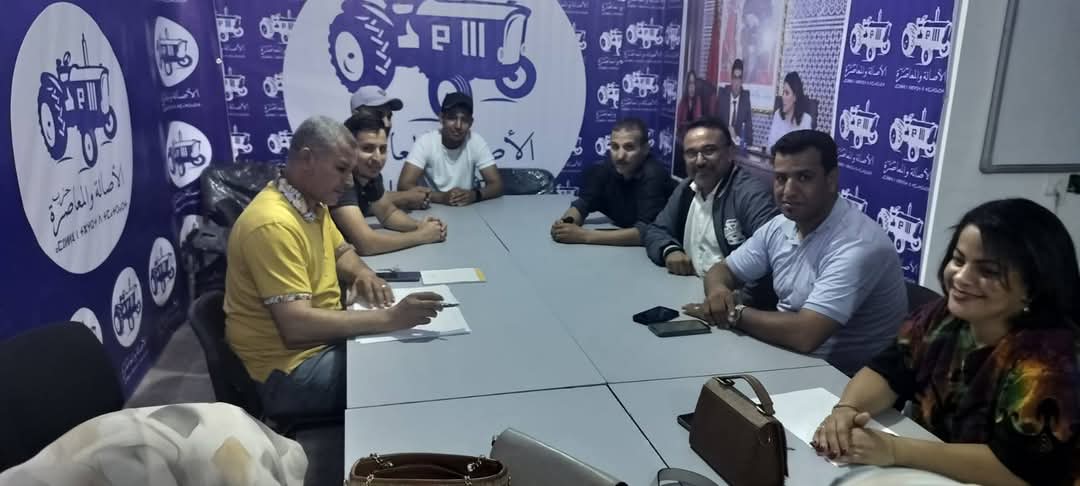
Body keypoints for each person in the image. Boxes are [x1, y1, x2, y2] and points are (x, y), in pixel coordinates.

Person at [812, 198, 1080, 485]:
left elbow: (1018, 468)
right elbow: (889, 370)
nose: (961, 278)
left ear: (1033, 288)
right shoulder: (944, 317)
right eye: (959, 260)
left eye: (988, 271)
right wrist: (847, 410)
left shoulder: (1050, 361)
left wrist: (893, 450)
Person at [224, 116, 446, 416]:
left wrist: (363, 273)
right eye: (341, 169)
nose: (348, 181)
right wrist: (390, 318)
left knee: (409, 354)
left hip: (318, 345)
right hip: (288, 370)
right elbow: (296, 326)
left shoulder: (311, 204)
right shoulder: (273, 224)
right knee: (405, 368)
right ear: (307, 159)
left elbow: (341, 252)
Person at [686, 130, 907, 376]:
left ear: (831, 180)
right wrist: (718, 292)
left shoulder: (858, 245)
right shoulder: (781, 225)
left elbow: (806, 334)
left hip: (842, 381)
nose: (789, 191)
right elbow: (723, 270)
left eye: (804, 177)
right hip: (787, 360)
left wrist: (734, 313)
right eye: (781, 178)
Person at [642, 117, 776, 289]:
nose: (699, 161)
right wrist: (670, 250)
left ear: (730, 153)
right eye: (691, 153)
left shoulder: (751, 194)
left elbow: (772, 257)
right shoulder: (686, 189)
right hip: (684, 288)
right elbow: (656, 230)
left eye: (709, 150)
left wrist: (741, 299)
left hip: (729, 297)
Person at [331, 113, 447, 255]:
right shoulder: (340, 179)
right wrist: (422, 236)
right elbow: (366, 244)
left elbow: (387, 214)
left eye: (382, 149)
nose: (377, 157)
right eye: (367, 148)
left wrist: (421, 225)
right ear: (347, 149)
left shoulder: (369, 174)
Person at [551, 118, 676, 246]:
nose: (620, 156)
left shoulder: (654, 175)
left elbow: (646, 232)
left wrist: (583, 236)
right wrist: (566, 224)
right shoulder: (605, 169)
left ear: (645, 149)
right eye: (615, 147)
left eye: (629, 147)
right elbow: (581, 205)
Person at [398, 92, 503, 205]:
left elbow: (497, 185)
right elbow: (403, 185)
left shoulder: (476, 141)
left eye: (464, 120)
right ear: (441, 118)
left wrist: (474, 195)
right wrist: (441, 198)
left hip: (466, 209)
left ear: (471, 123)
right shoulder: (426, 142)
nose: (458, 125)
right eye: (452, 118)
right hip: (431, 207)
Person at [349, 86, 432, 210]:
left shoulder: (374, 167)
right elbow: (351, 205)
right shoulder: (340, 156)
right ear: (356, 115)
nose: (387, 124)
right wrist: (405, 198)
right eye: (378, 114)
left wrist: (407, 199)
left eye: (389, 116)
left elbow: (373, 197)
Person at [766, 72, 813, 151]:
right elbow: (770, 147)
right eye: (783, 93)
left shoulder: (806, 120)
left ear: (795, 97)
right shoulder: (778, 115)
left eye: (787, 93)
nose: (783, 97)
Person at [714, 59, 754, 146]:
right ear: (731, 79)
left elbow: (749, 137)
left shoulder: (745, 99)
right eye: (734, 77)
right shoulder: (722, 95)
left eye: (739, 78)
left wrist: (735, 137)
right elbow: (715, 126)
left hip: (737, 149)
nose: (736, 82)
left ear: (742, 81)